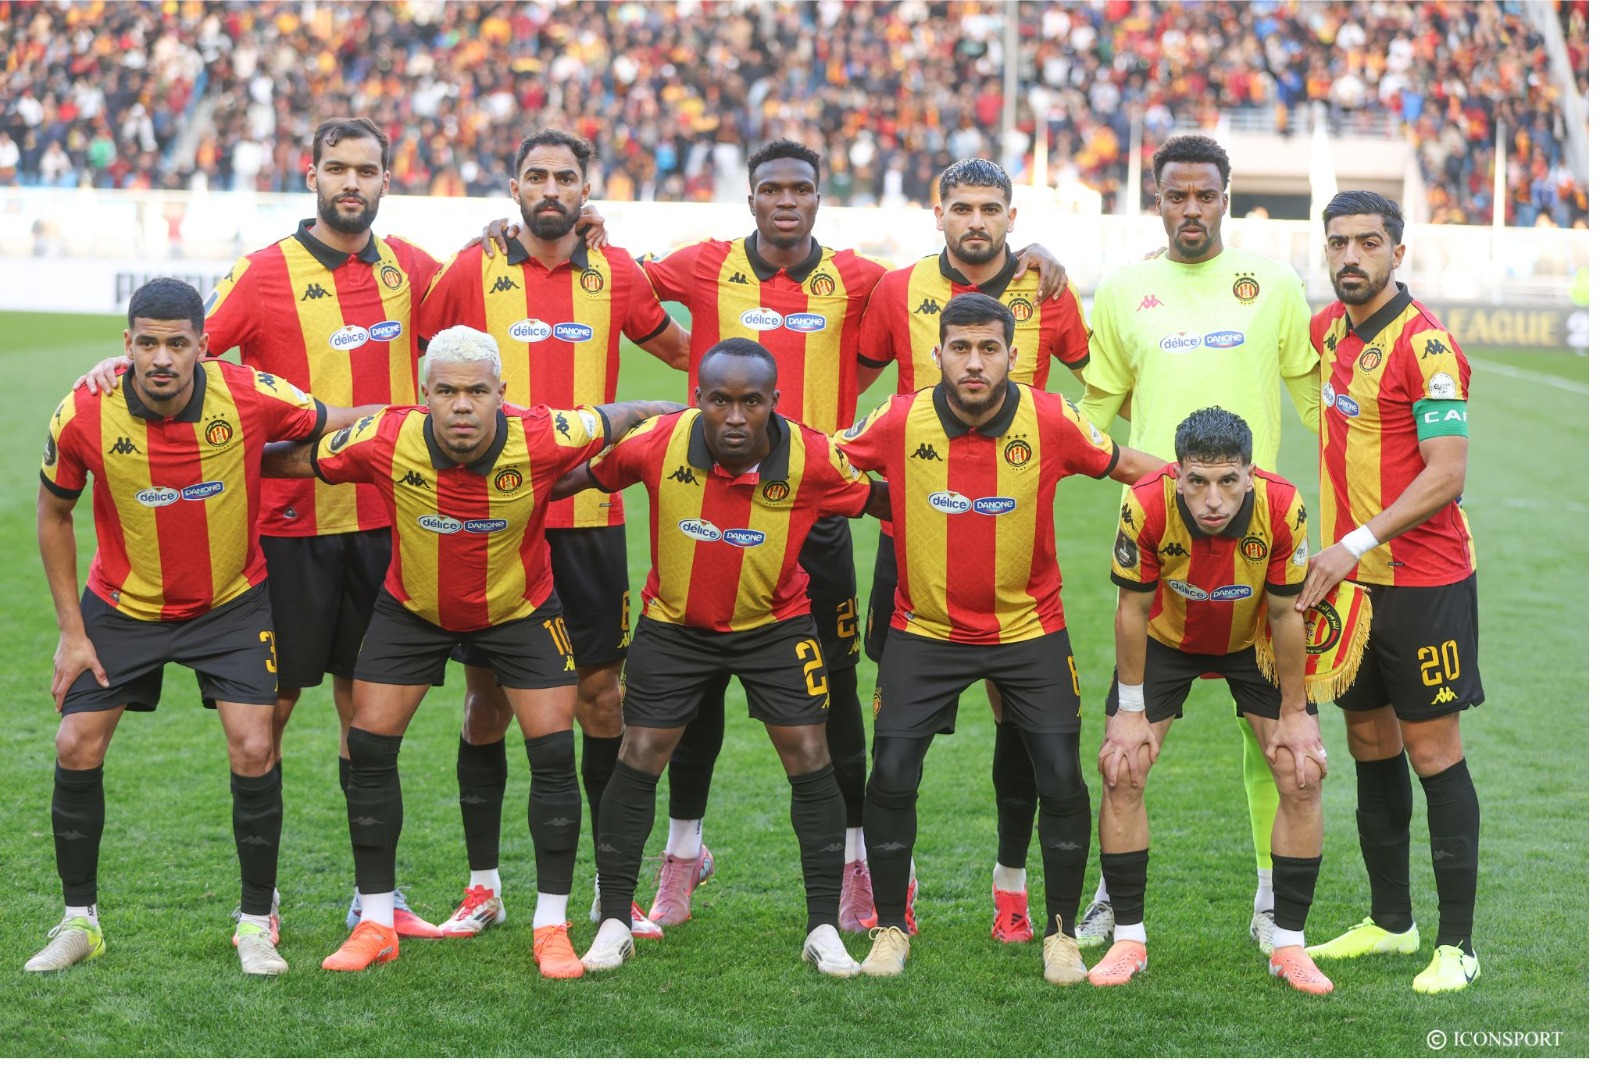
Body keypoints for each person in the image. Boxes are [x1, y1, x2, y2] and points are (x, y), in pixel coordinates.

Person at [79, 117, 447, 939]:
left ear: (386, 181)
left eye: (367, 170)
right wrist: (116, 367)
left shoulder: (411, 269)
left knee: (369, 717)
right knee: (266, 717)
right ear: (311, 175)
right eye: (337, 168)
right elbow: (187, 356)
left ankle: (374, 900)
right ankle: (264, 902)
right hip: (285, 536)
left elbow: (485, 287)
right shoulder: (263, 272)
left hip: (385, 526)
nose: (351, 183)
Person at [262, 325, 681, 975]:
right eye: (448, 392)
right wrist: (209, 448)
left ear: (501, 393)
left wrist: (695, 416)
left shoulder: (543, 434)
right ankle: (376, 923)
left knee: (552, 754)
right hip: (412, 612)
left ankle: (551, 927)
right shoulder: (386, 437)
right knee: (368, 749)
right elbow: (293, 460)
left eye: (477, 392)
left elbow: (627, 415)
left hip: (520, 611)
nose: (462, 405)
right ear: (424, 392)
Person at [30, 278, 373, 976]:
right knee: (75, 743)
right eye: (148, 343)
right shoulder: (83, 412)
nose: (162, 358)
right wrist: (72, 632)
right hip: (123, 606)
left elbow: (335, 419)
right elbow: (53, 514)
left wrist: (425, 415)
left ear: (203, 346)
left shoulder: (247, 394)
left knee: (255, 745)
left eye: (178, 344)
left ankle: (254, 923)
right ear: (127, 345)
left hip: (229, 604)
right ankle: (79, 922)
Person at [834, 293, 1162, 984]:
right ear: (938, 354)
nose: (975, 363)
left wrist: (1213, 482)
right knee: (890, 774)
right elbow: (823, 462)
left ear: (1013, 355)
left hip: (1028, 629)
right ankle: (890, 929)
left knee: (1062, 778)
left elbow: (1129, 464)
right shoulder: (899, 418)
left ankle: (1061, 935)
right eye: (961, 348)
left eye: (989, 349)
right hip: (924, 630)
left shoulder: (1050, 418)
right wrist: (868, 498)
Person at [417, 128, 690, 940]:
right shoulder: (472, 268)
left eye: (564, 177)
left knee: (603, 700)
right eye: (535, 175)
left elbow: (685, 349)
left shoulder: (616, 271)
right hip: (495, 521)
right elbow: (419, 364)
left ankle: (612, 888)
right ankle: (483, 886)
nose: (550, 188)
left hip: (589, 518)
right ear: (514, 187)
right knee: (487, 702)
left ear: (585, 189)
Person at [566, 339, 887, 978]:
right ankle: (613, 922)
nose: (735, 417)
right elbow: (581, 479)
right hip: (675, 627)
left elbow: (881, 501)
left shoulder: (812, 456)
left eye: (750, 402)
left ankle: (822, 927)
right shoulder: (658, 442)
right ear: (698, 399)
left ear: (774, 402)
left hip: (775, 626)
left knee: (811, 756)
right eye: (719, 401)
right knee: (639, 754)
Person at [1073, 133, 1322, 954]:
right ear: (1157, 199)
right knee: (1129, 741)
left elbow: (1318, 400)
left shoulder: (1272, 284)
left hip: (1258, 544)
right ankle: (1111, 897)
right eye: (1176, 195)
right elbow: (1093, 411)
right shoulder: (1125, 290)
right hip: (1160, 548)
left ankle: (1269, 898)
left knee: (1274, 741)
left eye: (1205, 195)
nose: (1191, 209)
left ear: (1225, 197)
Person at [853, 157, 1093, 941]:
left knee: (1022, 726)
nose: (977, 221)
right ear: (940, 214)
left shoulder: (1047, 288)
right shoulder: (898, 290)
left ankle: (1011, 888)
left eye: (991, 208)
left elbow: (1103, 379)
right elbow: (850, 383)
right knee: (899, 740)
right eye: (962, 207)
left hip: (1013, 546)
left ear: (1011, 217)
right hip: (914, 544)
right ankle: (895, 895)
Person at [1298, 191, 1483, 994]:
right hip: (1354, 585)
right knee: (1369, 745)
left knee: (1431, 751)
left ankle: (1458, 946)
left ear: (1397, 253)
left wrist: (1353, 542)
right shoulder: (1327, 331)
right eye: (1338, 242)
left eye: (1368, 242)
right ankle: (1391, 922)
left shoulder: (1426, 345)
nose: (1350, 256)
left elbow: (1448, 473)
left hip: (1424, 582)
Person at [1089, 406, 1332, 995]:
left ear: (1250, 473)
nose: (1213, 499)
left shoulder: (1283, 506)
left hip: (1254, 639)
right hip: (1165, 639)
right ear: (1177, 475)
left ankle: (1289, 946)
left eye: (1228, 480)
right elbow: (1131, 609)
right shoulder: (1145, 503)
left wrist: (1295, 714)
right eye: (1197, 481)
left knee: (1301, 771)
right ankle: (1128, 938)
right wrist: (1129, 710)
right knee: (1123, 767)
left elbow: (1287, 614)